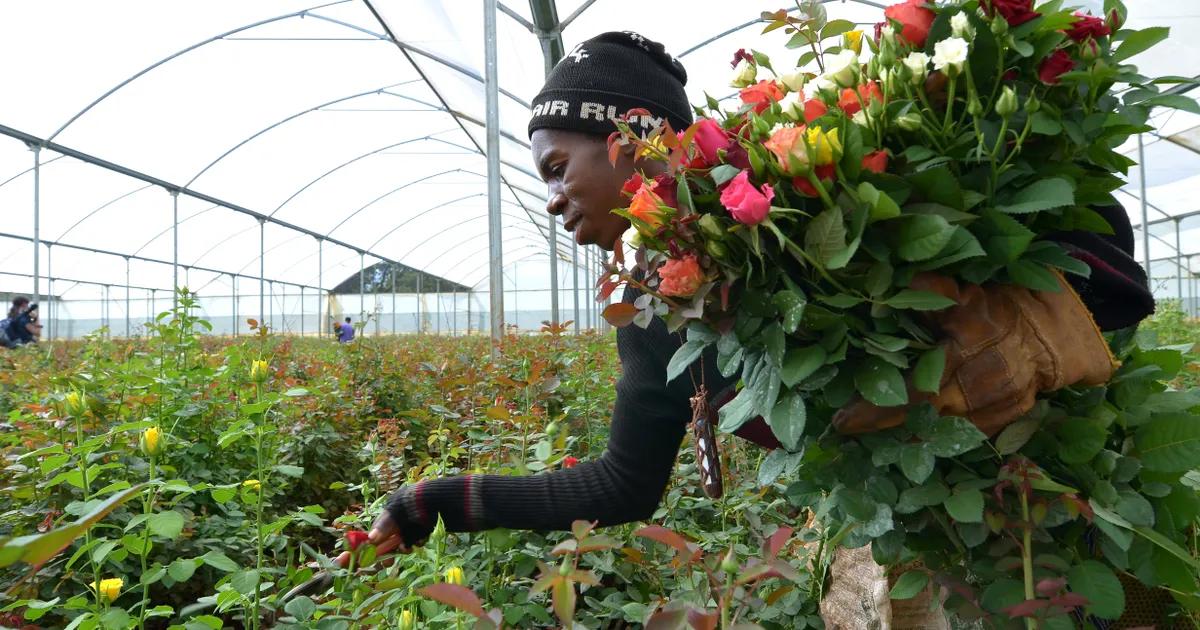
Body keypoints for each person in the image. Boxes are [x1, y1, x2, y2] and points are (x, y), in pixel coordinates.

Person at [342, 31, 1155, 562]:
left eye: (558, 168)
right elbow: (623, 484)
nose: (553, 199)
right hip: (934, 532)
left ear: (631, 133)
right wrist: (429, 503)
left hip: (1060, 489)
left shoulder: (803, 194)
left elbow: (1083, 246)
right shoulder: (658, 310)